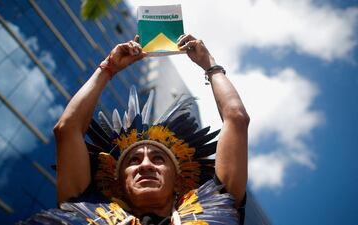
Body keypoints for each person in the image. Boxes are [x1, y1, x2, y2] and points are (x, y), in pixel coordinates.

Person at [19, 34, 249, 225]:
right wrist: (107, 68)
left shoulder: (214, 203)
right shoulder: (85, 210)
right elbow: (66, 129)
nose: (145, 165)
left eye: (158, 158)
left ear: (179, 180)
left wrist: (209, 64)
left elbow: (236, 118)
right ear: (117, 181)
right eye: (133, 161)